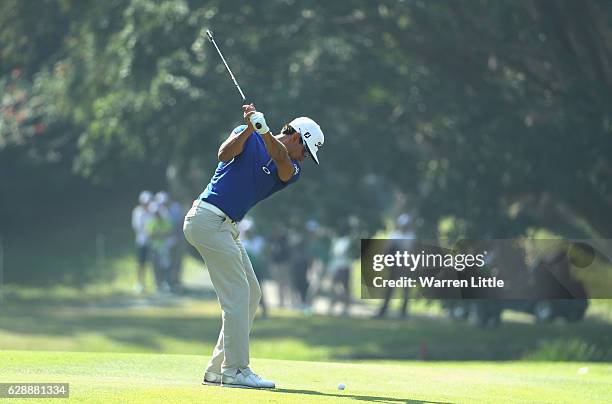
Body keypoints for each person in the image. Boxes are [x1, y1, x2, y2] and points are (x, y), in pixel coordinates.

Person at [183, 103, 324, 389]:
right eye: (307, 152)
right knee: (238, 295)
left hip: (226, 228)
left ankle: (216, 369)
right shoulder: (247, 135)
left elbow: (282, 161)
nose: (305, 159)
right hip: (207, 220)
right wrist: (250, 129)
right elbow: (223, 154)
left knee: (251, 295)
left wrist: (265, 131)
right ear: (298, 137)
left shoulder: (292, 167)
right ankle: (235, 370)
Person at [146, 201, 174, 293]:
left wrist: (158, 234)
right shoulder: (151, 222)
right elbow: (150, 234)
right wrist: (161, 234)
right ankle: (158, 284)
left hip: (164, 247)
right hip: (155, 247)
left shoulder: (165, 221)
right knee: (156, 266)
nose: (157, 214)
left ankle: (167, 283)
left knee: (166, 266)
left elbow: (169, 232)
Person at [131, 190, 153, 294]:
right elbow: (137, 226)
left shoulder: (153, 211)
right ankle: (140, 283)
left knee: (153, 263)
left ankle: (153, 283)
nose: (146, 204)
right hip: (142, 241)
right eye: (145, 202)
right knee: (141, 264)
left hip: (153, 241)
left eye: (148, 202)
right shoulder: (137, 212)